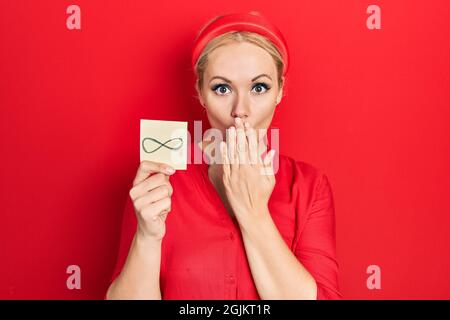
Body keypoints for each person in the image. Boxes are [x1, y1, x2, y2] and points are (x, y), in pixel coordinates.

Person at [106, 11, 342, 300]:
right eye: (222, 88)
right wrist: (147, 236)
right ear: (201, 93)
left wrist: (253, 213)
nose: (240, 109)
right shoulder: (160, 179)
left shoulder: (308, 186)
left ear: (280, 90)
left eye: (259, 87)